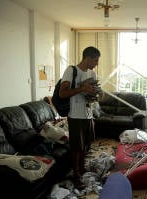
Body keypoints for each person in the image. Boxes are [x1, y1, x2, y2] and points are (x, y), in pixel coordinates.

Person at [59, 46, 101, 189]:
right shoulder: (71, 71)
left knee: (85, 145)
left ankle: (82, 169)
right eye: (95, 60)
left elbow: (92, 96)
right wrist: (82, 88)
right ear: (88, 58)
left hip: (88, 114)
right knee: (76, 147)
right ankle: (76, 175)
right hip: (75, 115)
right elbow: (62, 94)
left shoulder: (92, 74)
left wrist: (95, 94)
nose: (97, 63)